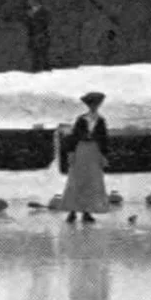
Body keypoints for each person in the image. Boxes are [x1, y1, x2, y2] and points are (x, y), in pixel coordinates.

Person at [61, 90, 109, 224]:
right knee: (76, 180)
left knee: (91, 181)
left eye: (96, 104)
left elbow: (104, 139)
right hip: (81, 150)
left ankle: (87, 212)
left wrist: (103, 155)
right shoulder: (81, 119)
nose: (94, 107)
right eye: (92, 104)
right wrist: (71, 153)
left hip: (94, 152)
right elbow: (73, 137)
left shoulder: (101, 121)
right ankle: (72, 211)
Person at [25, 0, 52, 72]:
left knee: (43, 54)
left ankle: (46, 69)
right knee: (35, 54)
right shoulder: (29, 12)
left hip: (42, 36)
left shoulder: (44, 11)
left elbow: (45, 23)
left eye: (31, 1)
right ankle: (36, 69)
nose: (29, 3)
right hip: (33, 36)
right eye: (28, 1)